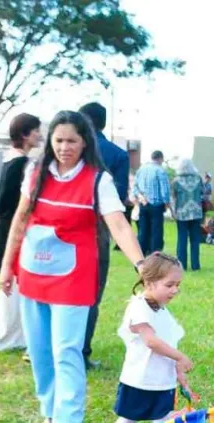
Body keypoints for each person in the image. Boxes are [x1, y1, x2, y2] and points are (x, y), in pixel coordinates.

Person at [0, 110, 146, 423]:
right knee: (39, 350)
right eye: (59, 140)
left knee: (67, 350)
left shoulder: (99, 180)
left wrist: (143, 265)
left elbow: (120, 226)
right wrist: (7, 265)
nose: (65, 147)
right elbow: (20, 218)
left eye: (73, 141)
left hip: (74, 278)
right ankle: (49, 413)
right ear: (50, 141)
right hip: (33, 271)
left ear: (85, 143)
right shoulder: (35, 173)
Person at [106, 253, 192, 423]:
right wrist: (181, 357)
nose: (175, 290)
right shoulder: (139, 307)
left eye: (178, 284)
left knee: (161, 418)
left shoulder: (160, 309)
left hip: (161, 380)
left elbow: (168, 342)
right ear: (149, 282)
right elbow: (151, 341)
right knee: (129, 416)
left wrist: (178, 373)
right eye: (169, 284)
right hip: (140, 379)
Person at [79, 101, 131, 370]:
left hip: (63, 231)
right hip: (97, 232)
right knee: (90, 294)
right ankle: (81, 352)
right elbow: (118, 200)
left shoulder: (69, 149)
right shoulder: (118, 155)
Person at [0, 113, 42, 353]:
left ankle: (13, 336)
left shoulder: (12, 159)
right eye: (36, 130)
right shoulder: (21, 163)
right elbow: (5, 202)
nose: (40, 135)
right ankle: (7, 338)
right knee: (14, 287)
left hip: (7, 228)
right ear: (25, 134)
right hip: (13, 232)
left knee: (15, 289)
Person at [132, 150, 170, 256]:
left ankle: (141, 253)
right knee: (156, 231)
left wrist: (140, 198)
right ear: (160, 158)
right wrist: (166, 202)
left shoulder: (141, 169)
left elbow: (135, 187)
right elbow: (164, 189)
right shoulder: (160, 171)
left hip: (143, 203)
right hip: (156, 204)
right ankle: (155, 254)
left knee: (143, 231)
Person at [171, 159, 204, 271]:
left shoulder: (176, 181)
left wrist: (173, 211)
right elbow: (202, 193)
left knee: (182, 239)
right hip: (196, 212)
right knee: (195, 240)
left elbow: (173, 196)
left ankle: (181, 265)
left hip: (182, 213)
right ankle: (195, 265)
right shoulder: (198, 179)